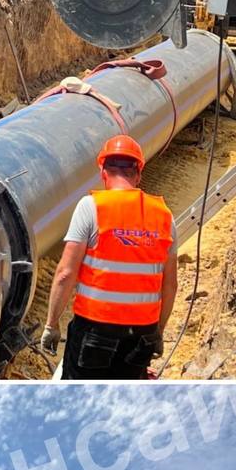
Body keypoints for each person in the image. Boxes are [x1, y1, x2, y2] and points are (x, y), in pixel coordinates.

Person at [41, 133, 177, 380]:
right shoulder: (165, 216)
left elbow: (65, 273)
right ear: (138, 173)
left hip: (95, 330)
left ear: (103, 171)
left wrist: (51, 324)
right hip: (141, 334)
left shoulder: (91, 207)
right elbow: (170, 285)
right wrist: (158, 332)